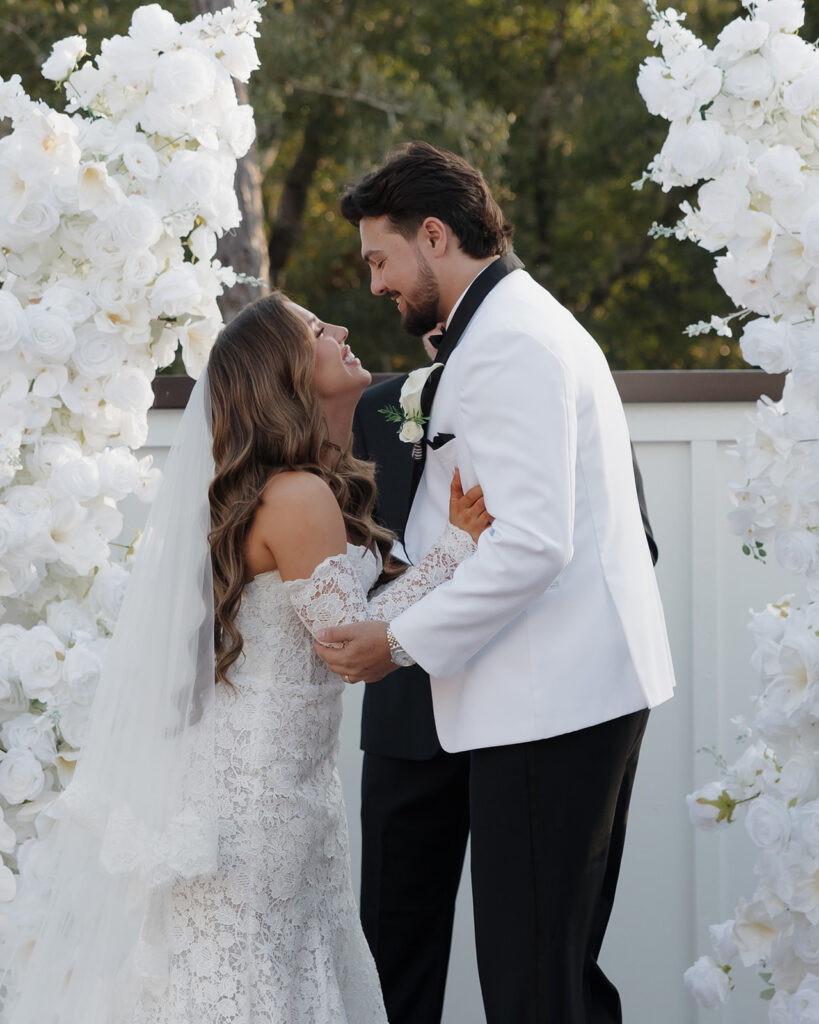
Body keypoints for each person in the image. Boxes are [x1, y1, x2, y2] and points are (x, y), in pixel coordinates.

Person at [2, 293, 491, 1024]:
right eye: (320, 331)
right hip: (254, 807)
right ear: (284, 371)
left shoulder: (295, 487)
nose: (343, 331)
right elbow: (346, 647)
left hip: (277, 790)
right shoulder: (295, 495)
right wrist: (453, 553)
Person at [315, 142, 677, 1024]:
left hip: (547, 701)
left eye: (380, 259)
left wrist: (395, 640)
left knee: (534, 981)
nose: (373, 285)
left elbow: (531, 546)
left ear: (433, 235)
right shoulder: (501, 326)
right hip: (551, 694)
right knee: (546, 971)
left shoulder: (510, 342)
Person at [353, 350, 660, 1024]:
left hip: (531, 721)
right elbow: (360, 564)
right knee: (389, 956)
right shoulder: (377, 410)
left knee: (552, 959)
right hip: (409, 720)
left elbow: (627, 544)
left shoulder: (554, 392)